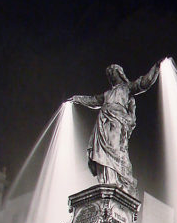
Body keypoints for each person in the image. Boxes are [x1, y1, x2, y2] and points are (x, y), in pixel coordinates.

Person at [69, 60, 165, 194]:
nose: (110, 76)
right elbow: (93, 100)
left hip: (117, 120)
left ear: (119, 73)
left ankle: (118, 180)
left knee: (114, 148)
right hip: (103, 121)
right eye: (109, 74)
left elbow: (144, 83)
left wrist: (156, 67)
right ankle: (107, 181)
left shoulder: (127, 88)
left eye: (112, 72)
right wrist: (77, 98)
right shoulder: (107, 93)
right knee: (102, 150)